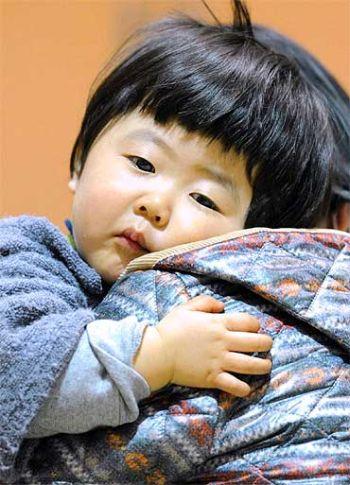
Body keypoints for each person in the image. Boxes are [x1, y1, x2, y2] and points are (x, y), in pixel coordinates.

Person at [1, 1, 349, 483]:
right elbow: (16, 372)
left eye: (204, 198)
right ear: (78, 162)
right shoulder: (22, 256)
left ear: (247, 242)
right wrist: (159, 353)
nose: (157, 203)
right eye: (143, 163)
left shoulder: (214, 309)